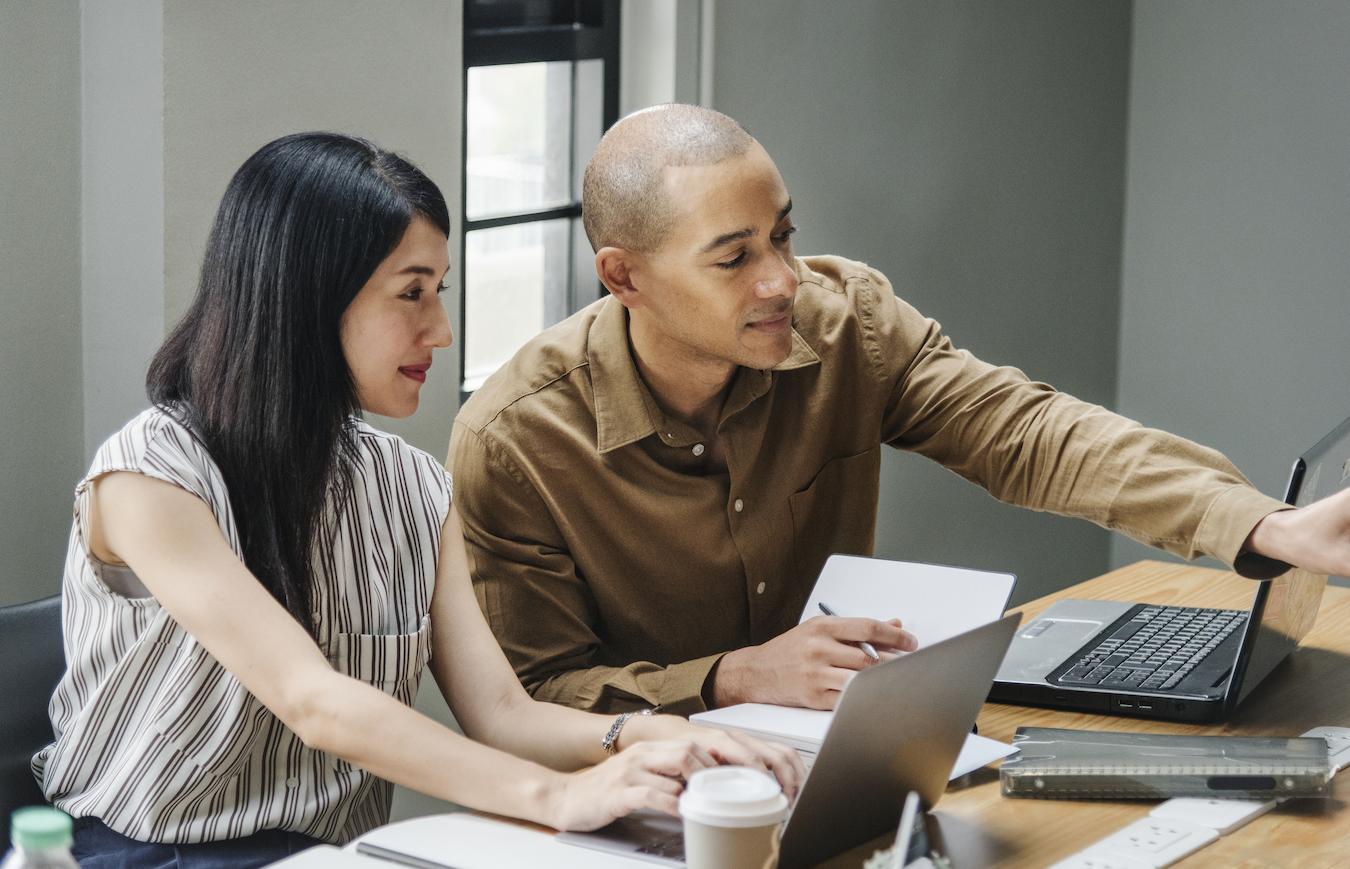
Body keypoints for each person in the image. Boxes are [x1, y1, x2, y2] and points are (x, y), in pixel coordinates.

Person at [32, 132, 801, 868]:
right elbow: (313, 700)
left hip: (333, 856)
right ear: (306, 299)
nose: (440, 330)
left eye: (440, 291)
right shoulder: (149, 475)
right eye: (412, 294)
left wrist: (648, 737)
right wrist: (560, 796)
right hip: (144, 854)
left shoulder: (412, 484)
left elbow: (504, 713)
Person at [447, 104, 1350, 716]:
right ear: (624, 276)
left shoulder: (848, 323)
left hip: (850, 753)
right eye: (733, 259)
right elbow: (532, 694)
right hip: (640, 802)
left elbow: (1027, 431)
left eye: (784, 235)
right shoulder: (517, 439)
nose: (781, 279)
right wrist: (727, 679)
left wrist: (1268, 526)